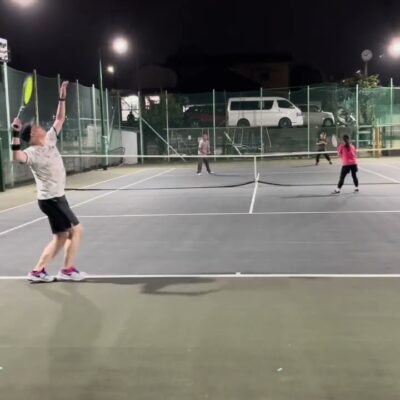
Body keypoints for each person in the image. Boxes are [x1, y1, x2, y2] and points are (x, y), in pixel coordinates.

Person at [11, 81, 87, 282]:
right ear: (32, 135)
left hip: (57, 197)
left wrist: (62, 97)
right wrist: (15, 133)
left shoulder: (50, 139)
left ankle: (38, 271)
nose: (41, 128)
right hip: (51, 199)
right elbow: (17, 157)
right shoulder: (31, 152)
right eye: (37, 127)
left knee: (61, 236)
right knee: (77, 230)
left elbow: (60, 118)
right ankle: (67, 270)